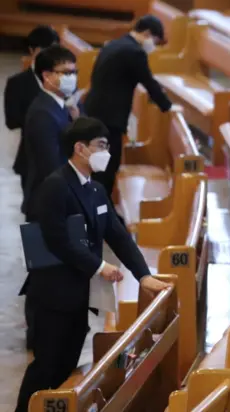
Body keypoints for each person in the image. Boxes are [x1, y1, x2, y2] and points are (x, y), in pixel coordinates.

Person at [14, 117, 170, 412]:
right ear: (80, 149)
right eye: (101, 146)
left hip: (78, 294)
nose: (106, 153)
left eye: (108, 146)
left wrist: (143, 275)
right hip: (52, 295)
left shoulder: (96, 189)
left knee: (68, 363)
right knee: (46, 366)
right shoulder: (56, 186)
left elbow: (117, 234)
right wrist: (100, 267)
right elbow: (58, 240)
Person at [18, 44, 81, 351]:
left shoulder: (57, 106)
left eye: (74, 72)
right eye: (65, 72)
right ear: (46, 75)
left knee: (47, 272)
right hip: (46, 205)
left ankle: (43, 334)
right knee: (43, 273)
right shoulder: (43, 112)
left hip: (50, 203)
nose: (72, 77)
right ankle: (38, 337)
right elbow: (49, 166)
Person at [84, 14, 172, 200]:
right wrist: (168, 107)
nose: (153, 46)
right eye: (155, 40)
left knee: (98, 166)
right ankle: (100, 214)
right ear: (147, 33)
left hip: (94, 111)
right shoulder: (134, 52)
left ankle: (98, 211)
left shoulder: (115, 44)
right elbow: (149, 83)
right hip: (109, 118)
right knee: (106, 169)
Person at [3, 25, 60, 195]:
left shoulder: (62, 77)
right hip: (30, 159)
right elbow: (11, 122)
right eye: (45, 49)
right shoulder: (17, 83)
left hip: (59, 157)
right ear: (32, 50)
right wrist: (40, 116)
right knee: (33, 213)